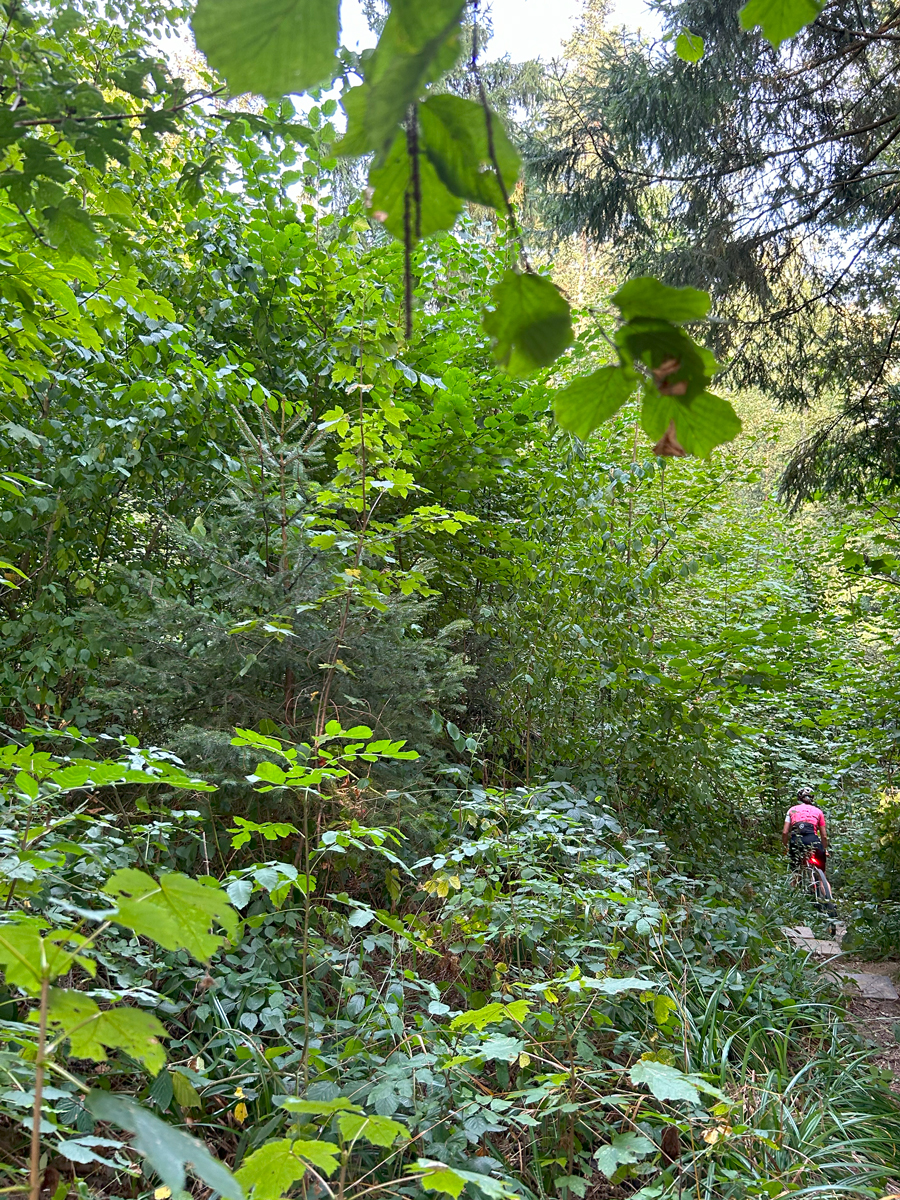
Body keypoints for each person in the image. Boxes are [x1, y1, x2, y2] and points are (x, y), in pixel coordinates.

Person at [782, 787, 828, 875]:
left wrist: (785, 848)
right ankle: (824, 886)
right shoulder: (818, 811)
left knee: (796, 874)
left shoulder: (791, 810)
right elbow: (824, 836)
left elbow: (785, 832)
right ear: (812, 798)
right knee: (822, 875)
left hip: (796, 841)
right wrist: (824, 849)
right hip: (813, 841)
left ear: (799, 798)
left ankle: (795, 885)